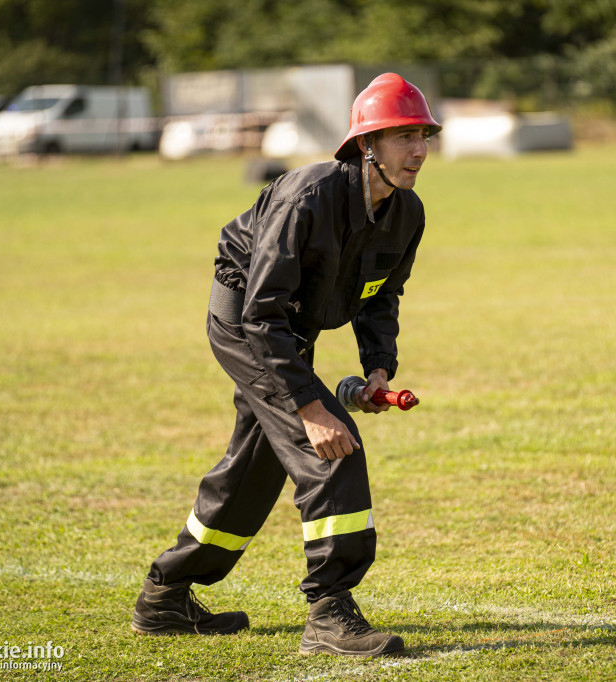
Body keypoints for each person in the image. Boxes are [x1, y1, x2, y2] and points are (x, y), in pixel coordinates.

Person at [131, 73, 440, 659]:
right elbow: (260, 313)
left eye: (424, 135)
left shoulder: (408, 213)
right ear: (366, 144)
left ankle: (165, 594)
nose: (419, 151)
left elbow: (380, 295)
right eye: (404, 137)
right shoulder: (308, 194)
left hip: (286, 329)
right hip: (247, 320)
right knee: (332, 446)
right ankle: (329, 613)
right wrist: (313, 407)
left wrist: (378, 367)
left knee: (254, 469)